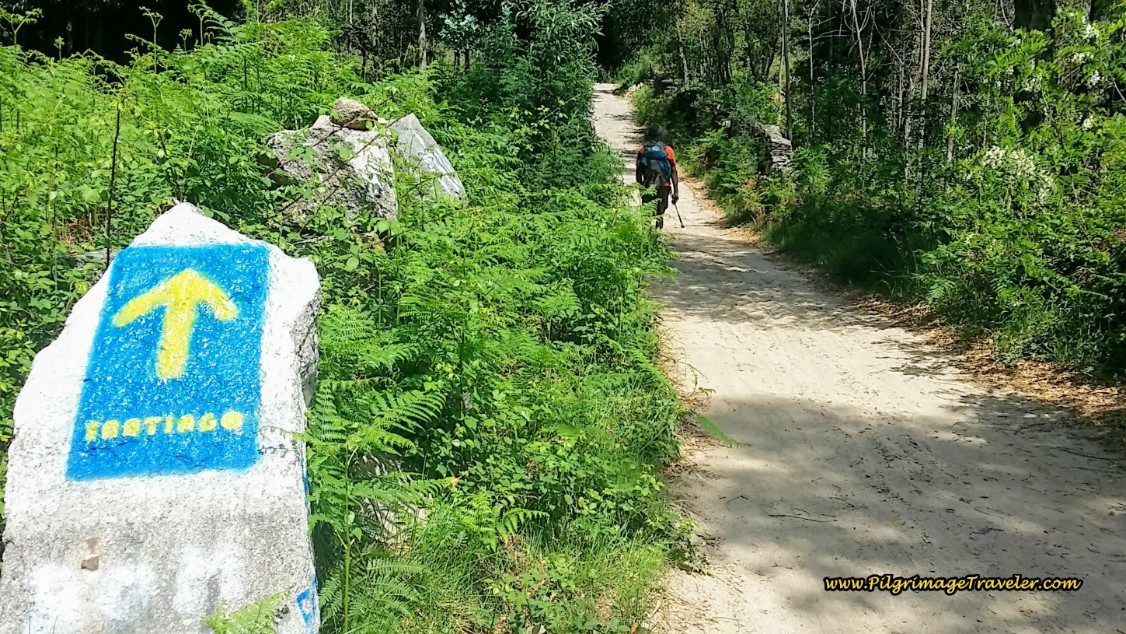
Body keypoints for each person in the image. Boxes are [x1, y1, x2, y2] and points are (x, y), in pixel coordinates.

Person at [636, 125, 679, 229]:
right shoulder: (667, 150)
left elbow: (638, 171)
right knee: (660, 213)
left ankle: (646, 236)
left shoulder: (642, 150)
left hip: (647, 184)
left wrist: (640, 187)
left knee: (646, 212)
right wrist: (676, 191)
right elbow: (673, 171)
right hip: (663, 185)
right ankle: (657, 235)